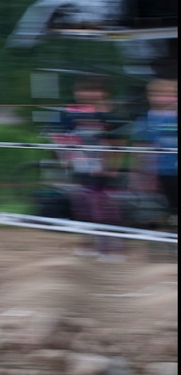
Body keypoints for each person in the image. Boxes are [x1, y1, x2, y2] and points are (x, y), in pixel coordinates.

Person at [62, 76, 128, 261]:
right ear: (76, 93)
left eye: (94, 90)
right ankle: (87, 243)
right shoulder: (71, 115)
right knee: (82, 207)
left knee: (105, 209)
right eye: (84, 90)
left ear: (103, 93)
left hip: (104, 171)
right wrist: (66, 159)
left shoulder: (110, 115)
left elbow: (119, 144)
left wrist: (112, 167)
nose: (88, 94)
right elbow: (64, 139)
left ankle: (113, 249)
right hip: (80, 168)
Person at [130, 78, 178, 227]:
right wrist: (142, 174)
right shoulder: (145, 120)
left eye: (168, 94)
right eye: (156, 94)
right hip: (160, 172)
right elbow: (140, 149)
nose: (161, 98)